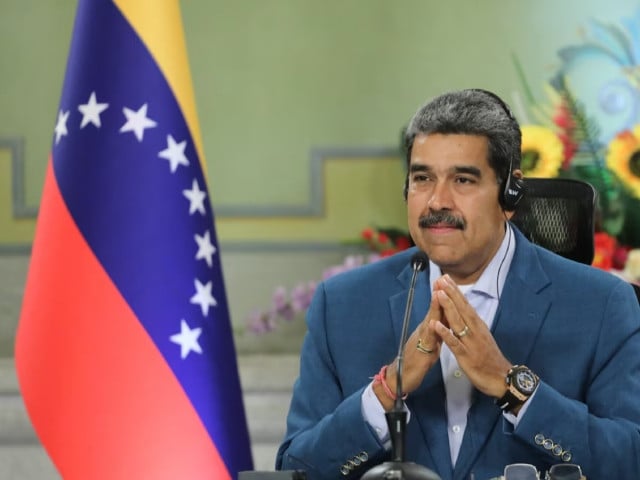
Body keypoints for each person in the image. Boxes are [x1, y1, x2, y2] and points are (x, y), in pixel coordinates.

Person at [275, 89, 640, 480]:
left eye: (463, 179)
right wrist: (385, 392)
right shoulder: (343, 305)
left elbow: (629, 462)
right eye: (422, 178)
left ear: (510, 192)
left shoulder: (602, 305)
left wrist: (513, 387)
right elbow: (297, 470)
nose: (436, 201)